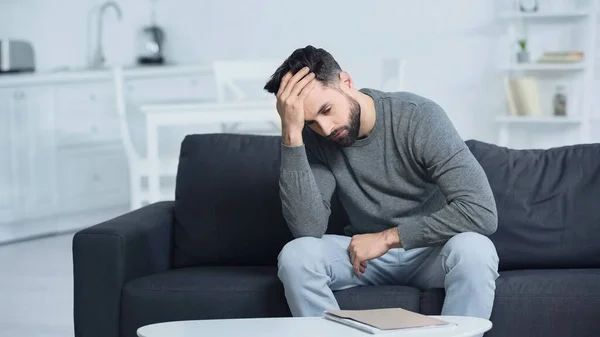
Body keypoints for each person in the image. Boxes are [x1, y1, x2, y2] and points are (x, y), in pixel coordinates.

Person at [262, 45, 499, 330]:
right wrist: (291, 133)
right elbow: (307, 229)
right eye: (311, 122)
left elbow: (482, 211)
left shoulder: (418, 117)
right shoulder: (313, 141)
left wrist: (387, 238)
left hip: (430, 251)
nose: (325, 128)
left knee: (476, 250)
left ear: (346, 82)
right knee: (295, 256)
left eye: (326, 110)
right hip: (361, 257)